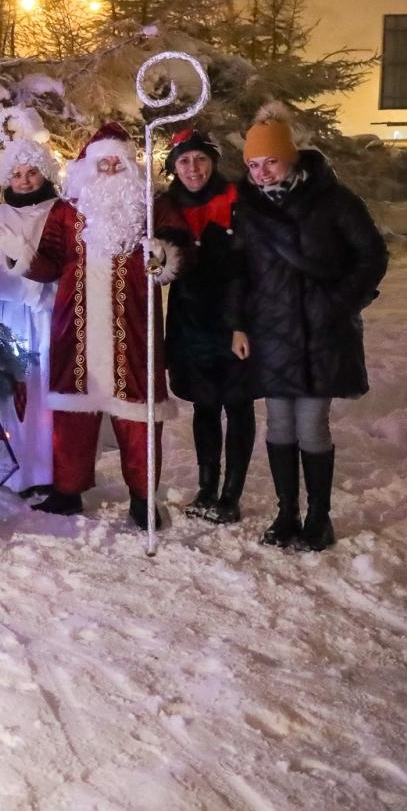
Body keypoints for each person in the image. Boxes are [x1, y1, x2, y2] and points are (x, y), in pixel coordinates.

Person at [2, 122, 189, 531]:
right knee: (73, 413)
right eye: (101, 161)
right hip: (77, 325)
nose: (108, 168)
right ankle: (68, 491)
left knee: (139, 415)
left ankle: (143, 498)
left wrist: (162, 254)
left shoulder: (150, 205)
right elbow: (51, 262)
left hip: (133, 328)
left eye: (116, 161)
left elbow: (176, 244)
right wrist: (23, 257)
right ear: (87, 166)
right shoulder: (67, 210)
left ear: (128, 164)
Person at [230, 103, 387, 551]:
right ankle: (287, 514)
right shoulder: (250, 210)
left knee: (312, 425)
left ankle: (319, 518)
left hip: (322, 332)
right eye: (253, 165)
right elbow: (239, 271)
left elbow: (371, 255)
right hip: (273, 331)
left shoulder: (333, 200)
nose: (261, 173)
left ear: (291, 158)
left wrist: (339, 303)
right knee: (279, 426)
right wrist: (239, 325)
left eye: (270, 162)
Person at [158, 127, 254, 524]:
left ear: (212, 161)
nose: (193, 168)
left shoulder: (237, 198)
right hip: (190, 317)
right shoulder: (167, 204)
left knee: (238, 402)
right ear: (174, 167)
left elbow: (248, 266)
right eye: (184, 161)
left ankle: (231, 494)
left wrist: (241, 323)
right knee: (205, 404)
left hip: (235, 315)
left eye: (200, 159)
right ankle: (207, 487)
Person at [0, 119, 62, 497]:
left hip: (44, 311)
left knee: (43, 388)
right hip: (10, 312)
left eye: (32, 173)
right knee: (14, 388)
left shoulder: (57, 211)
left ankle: (46, 468)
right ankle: (16, 467)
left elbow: (59, 262)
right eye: (17, 174)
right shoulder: (0, 213)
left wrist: (27, 259)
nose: (25, 180)